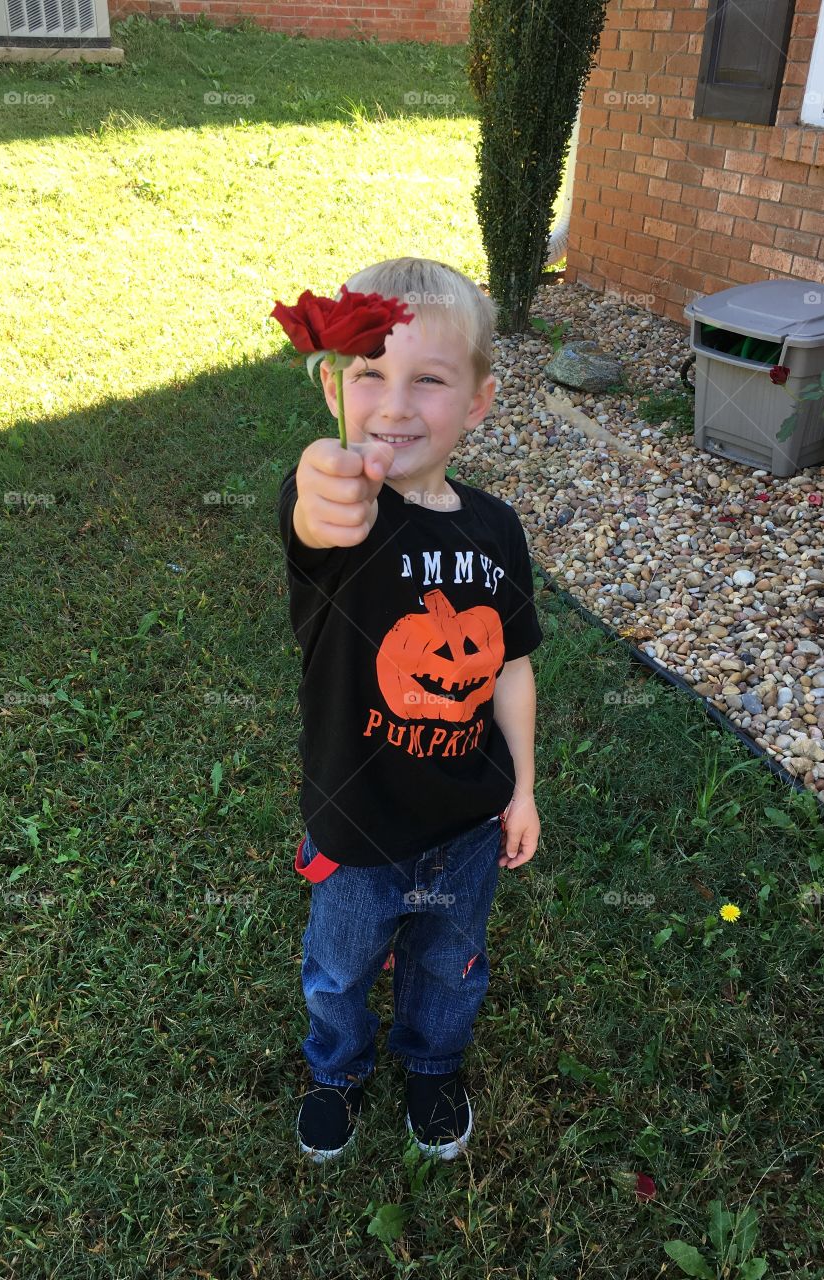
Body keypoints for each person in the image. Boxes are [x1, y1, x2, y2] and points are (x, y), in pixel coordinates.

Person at [276, 256, 543, 1164]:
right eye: (370, 374)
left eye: (428, 379)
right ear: (334, 390)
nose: (393, 406)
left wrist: (525, 788)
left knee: (448, 963)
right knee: (340, 968)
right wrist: (323, 479)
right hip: (356, 828)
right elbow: (317, 505)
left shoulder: (496, 529)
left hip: (467, 824)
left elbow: (506, 666)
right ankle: (338, 1070)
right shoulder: (345, 515)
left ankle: (432, 1062)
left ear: (478, 401)